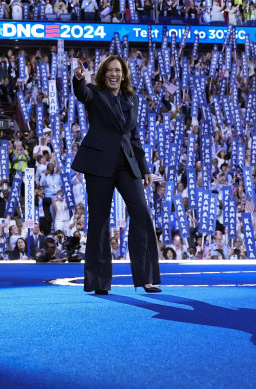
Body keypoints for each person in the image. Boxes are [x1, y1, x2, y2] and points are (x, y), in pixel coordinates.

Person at [72, 55, 162, 295]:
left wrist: (144, 169)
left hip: (127, 166)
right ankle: (100, 281)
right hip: (99, 165)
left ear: (124, 74)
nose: (114, 74)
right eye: (110, 70)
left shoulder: (132, 99)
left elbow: (134, 137)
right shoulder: (94, 92)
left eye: (118, 71)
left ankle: (147, 278)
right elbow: (82, 93)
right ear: (103, 73)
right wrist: (79, 79)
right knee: (99, 222)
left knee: (142, 215)